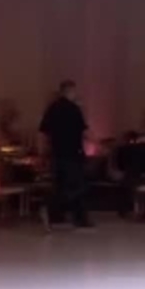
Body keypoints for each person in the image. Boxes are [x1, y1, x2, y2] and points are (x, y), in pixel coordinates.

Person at [38, 80, 92, 228]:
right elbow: (84, 131)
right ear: (69, 91)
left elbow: (43, 132)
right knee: (78, 186)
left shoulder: (52, 108)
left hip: (56, 154)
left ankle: (56, 216)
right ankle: (79, 218)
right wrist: (99, 144)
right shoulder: (74, 109)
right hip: (73, 154)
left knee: (60, 185)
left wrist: (42, 152)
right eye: (74, 91)